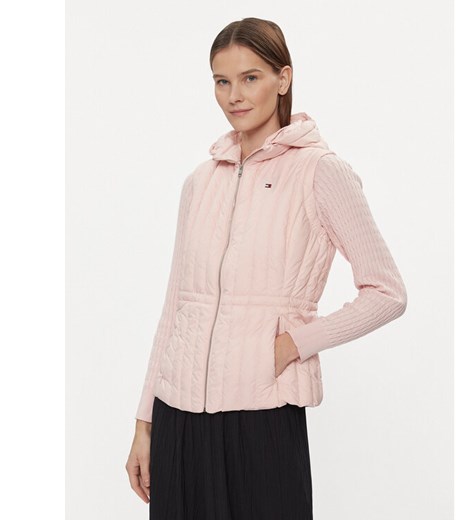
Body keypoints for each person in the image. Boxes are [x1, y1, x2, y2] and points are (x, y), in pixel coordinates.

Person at [125, 17, 407, 520]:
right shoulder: (199, 182)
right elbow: (175, 308)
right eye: (222, 81)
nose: (234, 95)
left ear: (283, 78)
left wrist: (294, 344)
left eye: (250, 77)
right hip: (178, 418)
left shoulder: (320, 171)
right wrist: (144, 424)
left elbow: (387, 292)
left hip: (262, 418)